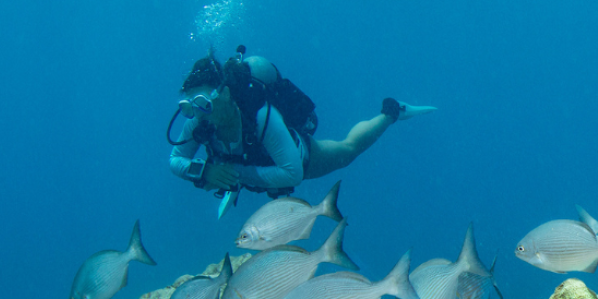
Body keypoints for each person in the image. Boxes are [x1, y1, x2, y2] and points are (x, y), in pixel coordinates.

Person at [168, 48, 432, 197]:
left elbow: (292, 173)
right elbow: (175, 159)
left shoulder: (260, 116)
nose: (198, 113)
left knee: (349, 149)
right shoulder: (198, 118)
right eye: (189, 106)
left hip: (298, 157)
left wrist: (232, 174)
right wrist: (205, 172)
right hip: (252, 167)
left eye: (203, 102)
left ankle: (392, 112)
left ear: (224, 92)